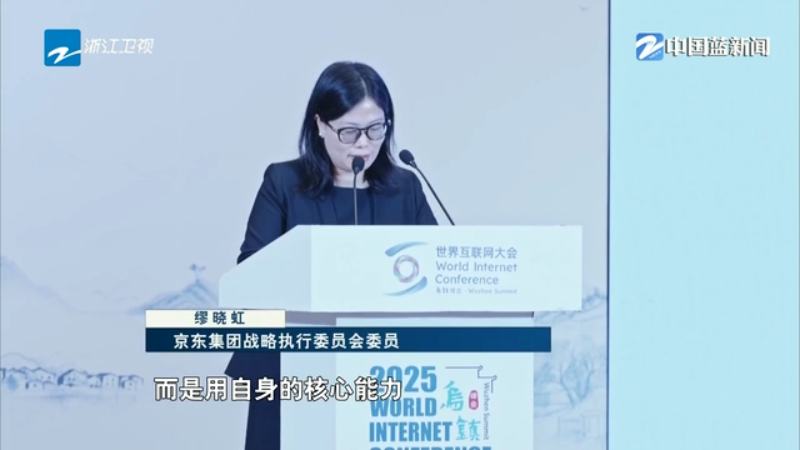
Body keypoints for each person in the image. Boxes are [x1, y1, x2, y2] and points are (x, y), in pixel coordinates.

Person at [225, 61, 438, 450]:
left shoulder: (405, 187)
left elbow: (437, 272)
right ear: (320, 125)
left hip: (386, 370)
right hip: (291, 366)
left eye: (376, 129)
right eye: (349, 131)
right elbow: (251, 272)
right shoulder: (283, 182)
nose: (364, 144)